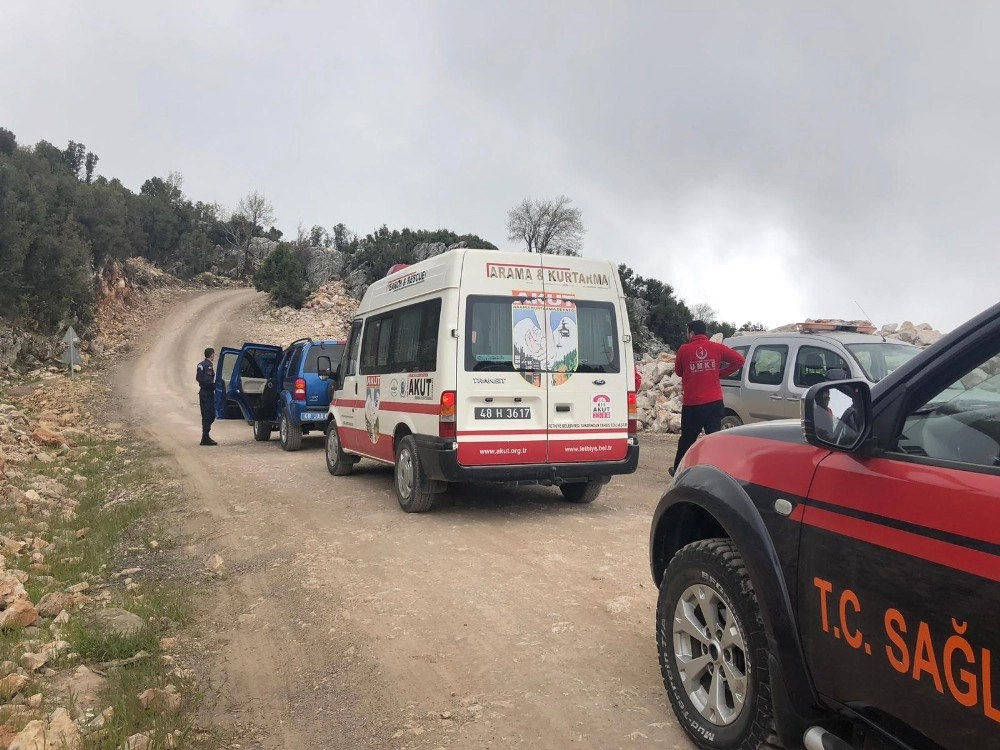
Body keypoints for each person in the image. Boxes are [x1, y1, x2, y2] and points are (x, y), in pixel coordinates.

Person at [670, 321, 746, 476]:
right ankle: (719, 471)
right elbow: (739, 360)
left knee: (687, 440)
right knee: (714, 439)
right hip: (714, 402)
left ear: (691, 333)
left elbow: (678, 371)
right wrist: (719, 372)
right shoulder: (716, 347)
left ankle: (678, 470)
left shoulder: (684, 350)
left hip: (693, 404)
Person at [196, 347, 218, 446]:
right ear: (211, 355)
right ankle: (205, 437)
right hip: (208, 393)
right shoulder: (208, 366)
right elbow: (207, 380)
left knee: (206, 415)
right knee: (210, 415)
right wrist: (215, 386)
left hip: (202, 393)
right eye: (214, 355)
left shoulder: (200, 364)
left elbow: (198, 378)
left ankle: (205, 436)